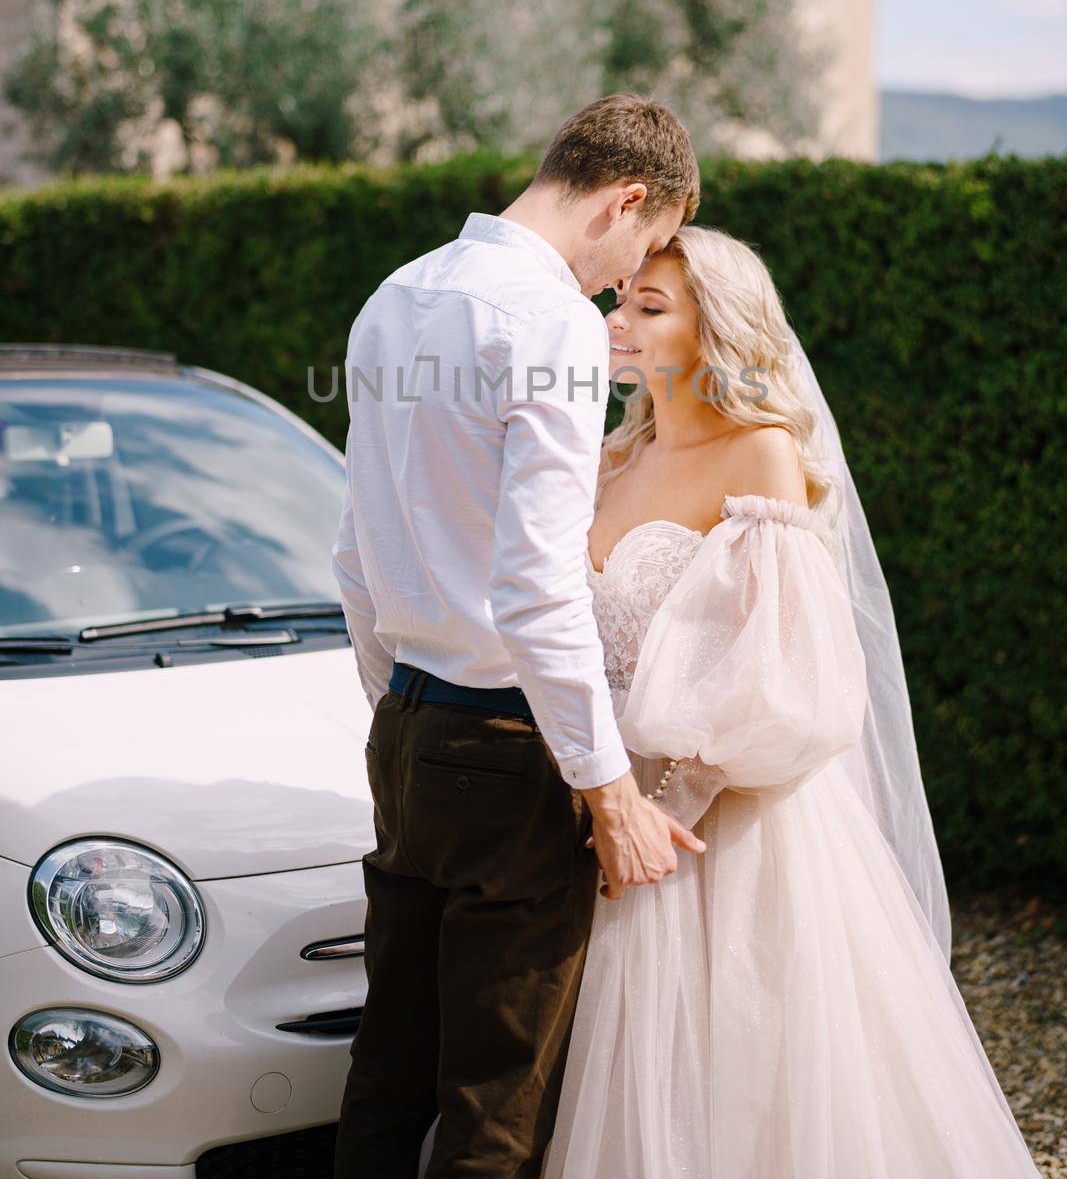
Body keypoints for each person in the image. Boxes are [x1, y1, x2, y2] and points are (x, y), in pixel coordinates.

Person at [541, 223, 1043, 1178]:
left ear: (715, 331)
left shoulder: (759, 456)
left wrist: (660, 813)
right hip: (595, 796)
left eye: (652, 307)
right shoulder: (603, 459)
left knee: (740, 1067)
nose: (620, 320)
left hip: (720, 819)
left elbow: (787, 683)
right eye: (622, 300)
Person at [330, 93, 707, 1178]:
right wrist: (608, 790)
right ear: (626, 198)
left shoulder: (393, 296)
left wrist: (400, 703)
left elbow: (353, 551)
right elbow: (535, 584)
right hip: (505, 746)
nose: (626, 278)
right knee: (495, 1103)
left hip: (407, 725)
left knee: (389, 1068)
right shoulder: (547, 323)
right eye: (648, 240)